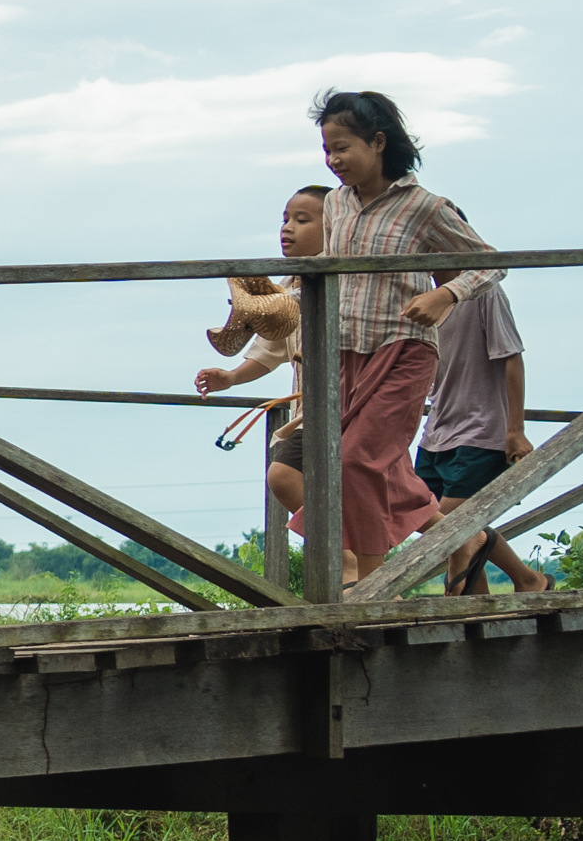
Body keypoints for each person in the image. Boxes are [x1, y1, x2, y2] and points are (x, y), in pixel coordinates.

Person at [304, 85, 496, 582]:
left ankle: (367, 581)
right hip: (345, 350)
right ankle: (463, 538)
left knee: (355, 460)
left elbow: (489, 264)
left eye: (342, 147)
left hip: (404, 350)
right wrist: (280, 293)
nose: (333, 160)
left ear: (379, 143)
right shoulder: (338, 205)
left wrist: (445, 295)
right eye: (326, 150)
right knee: (379, 465)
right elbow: (331, 264)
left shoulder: (423, 206)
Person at [195, 187, 335, 569]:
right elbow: (273, 347)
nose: (287, 229)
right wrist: (233, 377)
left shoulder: (343, 278)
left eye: (302, 221)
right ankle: (462, 548)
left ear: (336, 226)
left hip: (344, 402)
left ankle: (347, 557)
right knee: (376, 494)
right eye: (286, 219)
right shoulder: (289, 285)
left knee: (285, 474)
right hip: (313, 407)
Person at [417, 279, 547, 595]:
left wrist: (515, 429)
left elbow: (512, 356)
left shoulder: (485, 293)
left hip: (481, 429)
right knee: (417, 511)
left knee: (449, 520)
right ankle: (521, 582)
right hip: (437, 429)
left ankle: (464, 589)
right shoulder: (420, 296)